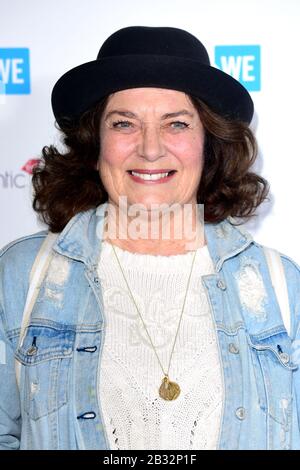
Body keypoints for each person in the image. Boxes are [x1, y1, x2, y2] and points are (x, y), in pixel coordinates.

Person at [0, 25, 299, 451]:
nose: (151, 149)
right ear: (95, 142)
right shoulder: (21, 276)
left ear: (208, 142)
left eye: (176, 124)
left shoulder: (279, 286)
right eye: (124, 124)